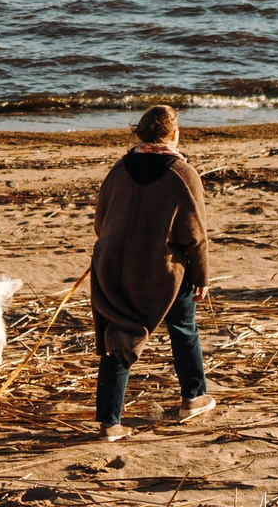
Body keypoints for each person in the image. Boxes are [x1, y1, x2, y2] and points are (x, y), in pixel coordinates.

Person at [88, 103, 214, 441]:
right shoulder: (183, 174)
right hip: (163, 272)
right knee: (183, 327)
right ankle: (194, 397)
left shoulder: (119, 170)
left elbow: (101, 222)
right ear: (174, 134)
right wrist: (201, 277)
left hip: (113, 265)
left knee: (121, 334)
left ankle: (110, 422)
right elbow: (195, 236)